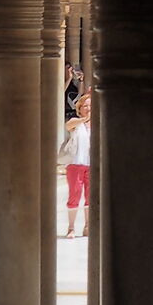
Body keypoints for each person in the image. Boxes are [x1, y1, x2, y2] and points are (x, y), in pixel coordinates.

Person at [62, 91, 92, 236]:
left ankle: (87, 226)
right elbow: (68, 125)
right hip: (76, 164)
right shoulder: (75, 122)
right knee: (74, 194)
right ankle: (71, 227)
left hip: (91, 165)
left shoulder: (96, 125)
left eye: (91, 106)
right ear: (79, 108)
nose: (88, 108)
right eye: (85, 106)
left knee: (90, 195)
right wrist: (85, 119)